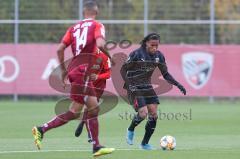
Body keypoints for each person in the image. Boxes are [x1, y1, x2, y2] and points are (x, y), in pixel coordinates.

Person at [32, 1, 115, 157]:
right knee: (94, 108)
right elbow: (101, 43)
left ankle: (41, 129)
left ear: (84, 12)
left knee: (74, 111)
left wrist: (63, 70)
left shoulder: (73, 28)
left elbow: (59, 48)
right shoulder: (97, 25)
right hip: (83, 72)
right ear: (96, 12)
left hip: (75, 70)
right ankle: (96, 146)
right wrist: (110, 56)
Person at [120, 33, 186, 150]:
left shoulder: (159, 56)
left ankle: (144, 144)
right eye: (152, 45)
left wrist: (178, 84)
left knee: (154, 115)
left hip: (147, 86)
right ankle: (130, 129)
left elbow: (165, 73)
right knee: (143, 113)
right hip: (134, 86)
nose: (154, 48)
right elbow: (123, 70)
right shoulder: (137, 54)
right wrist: (129, 85)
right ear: (146, 43)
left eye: (157, 45)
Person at [74, 51, 111, 143]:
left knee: (89, 109)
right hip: (86, 86)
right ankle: (90, 134)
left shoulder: (104, 56)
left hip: (98, 88)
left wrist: (98, 76)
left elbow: (108, 74)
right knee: (89, 109)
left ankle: (84, 123)